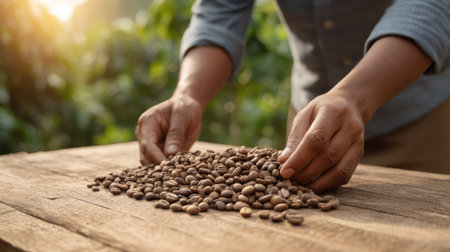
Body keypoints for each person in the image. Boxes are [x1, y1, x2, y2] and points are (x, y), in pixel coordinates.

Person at [135, 0, 450, 193]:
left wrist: (354, 96)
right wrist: (187, 94)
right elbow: (219, 10)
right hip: (307, 129)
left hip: (418, 119)